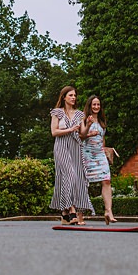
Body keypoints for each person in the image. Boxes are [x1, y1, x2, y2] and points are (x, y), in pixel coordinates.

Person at [49, 86, 94, 225]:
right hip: (61, 146)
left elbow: (82, 134)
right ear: (64, 97)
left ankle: (64, 212)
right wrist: (69, 129)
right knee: (70, 174)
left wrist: (88, 125)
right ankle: (72, 209)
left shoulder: (80, 114)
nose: (74, 97)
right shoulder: (57, 112)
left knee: (71, 177)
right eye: (71, 95)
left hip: (75, 146)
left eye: (75, 95)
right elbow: (54, 132)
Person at [81, 95, 118, 225]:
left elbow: (102, 138)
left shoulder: (102, 121)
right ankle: (80, 214)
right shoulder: (84, 119)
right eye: (94, 105)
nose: (96, 107)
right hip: (86, 154)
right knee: (84, 183)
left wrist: (105, 150)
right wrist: (89, 132)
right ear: (89, 106)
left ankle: (109, 211)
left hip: (100, 154)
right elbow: (80, 136)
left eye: (98, 105)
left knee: (106, 180)